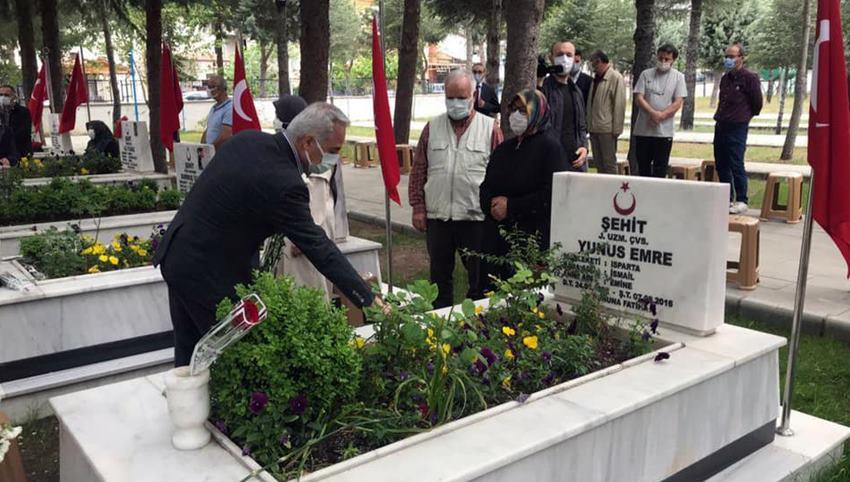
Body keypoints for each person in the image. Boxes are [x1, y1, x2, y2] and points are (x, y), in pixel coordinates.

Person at [153, 103, 385, 366]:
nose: (333, 161)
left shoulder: (249, 140)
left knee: (189, 359)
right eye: (332, 152)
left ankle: (186, 405)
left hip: (179, 255)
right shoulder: (285, 182)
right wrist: (367, 298)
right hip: (208, 274)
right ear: (308, 142)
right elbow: (319, 247)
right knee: (235, 361)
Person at [408, 69, 503, 308]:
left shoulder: (490, 128)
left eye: (461, 97)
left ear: (474, 96)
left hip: (475, 218)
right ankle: (440, 325)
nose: (456, 103)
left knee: (480, 281)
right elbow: (419, 169)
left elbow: (501, 175)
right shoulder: (432, 128)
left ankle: (477, 326)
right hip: (438, 218)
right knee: (439, 280)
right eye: (450, 97)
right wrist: (418, 207)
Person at [479, 89, 568, 283]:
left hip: (532, 238)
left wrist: (511, 207)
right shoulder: (505, 148)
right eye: (513, 110)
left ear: (537, 112)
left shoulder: (550, 148)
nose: (516, 116)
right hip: (498, 237)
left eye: (523, 111)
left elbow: (552, 195)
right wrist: (491, 206)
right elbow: (486, 186)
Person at [714, 43, 763, 214]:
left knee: (736, 162)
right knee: (721, 163)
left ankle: (742, 199)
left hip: (737, 126)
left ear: (741, 58)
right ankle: (726, 198)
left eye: (732, 56)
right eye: (726, 56)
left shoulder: (750, 78)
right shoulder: (725, 78)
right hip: (721, 124)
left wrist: (744, 117)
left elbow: (757, 104)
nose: (728, 59)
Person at [633, 44, 688, 178]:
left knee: (660, 168)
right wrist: (652, 113)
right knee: (643, 167)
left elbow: (678, 101)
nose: (663, 61)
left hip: (664, 132)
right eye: (661, 58)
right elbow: (639, 97)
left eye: (667, 59)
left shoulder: (678, 77)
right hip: (644, 130)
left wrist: (661, 115)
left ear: (673, 60)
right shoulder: (646, 74)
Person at [541, 41, 589, 172]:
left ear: (575, 59)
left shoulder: (576, 91)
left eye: (569, 55)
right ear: (551, 57)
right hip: (551, 160)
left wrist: (584, 148)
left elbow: (582, 126)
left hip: (575, 161)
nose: (564, 59)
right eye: (560, 54)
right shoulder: (544, 89)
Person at [586, 50, 626, 175]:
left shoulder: (615, 78)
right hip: (594, 128)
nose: (593, 68)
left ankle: (612, 190)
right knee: (599, 163)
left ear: (601, 62)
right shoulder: (596, 79)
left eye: (594, 65)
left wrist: (617, 129)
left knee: (609, 164)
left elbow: (619, 105)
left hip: (607, 129)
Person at [0, 85, 33, 167]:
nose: (3, 97)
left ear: (13, 97)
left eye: (6, 95)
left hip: (19, 154)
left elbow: (23, 133)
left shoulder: (23, 112)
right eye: (0, 95)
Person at [201, 75, 232, 149]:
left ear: (221, 89)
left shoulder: (230, 108)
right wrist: (202, 147)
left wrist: (210, 149)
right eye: (208, 86)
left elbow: (226, 135)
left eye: (212, 86)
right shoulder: (214, 108)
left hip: (220, 154)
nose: (209, 89)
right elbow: (209, 129)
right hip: (209, 153)